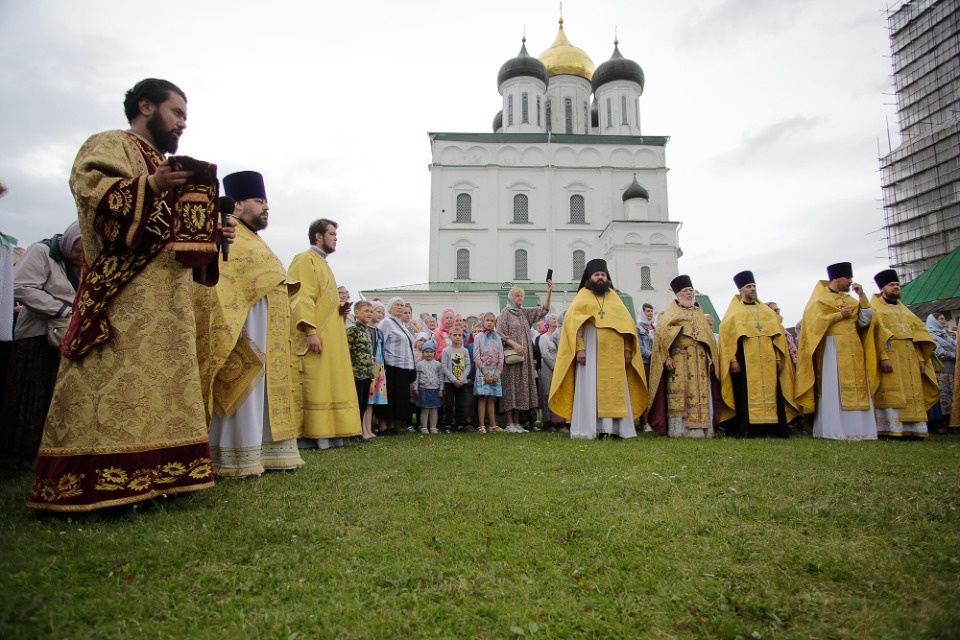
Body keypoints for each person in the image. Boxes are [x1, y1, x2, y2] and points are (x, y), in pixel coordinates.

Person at [28, 78, 229, 517]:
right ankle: (99, 485)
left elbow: (178, 234)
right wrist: (152, 185)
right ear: (145, 106)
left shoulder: (167, 163)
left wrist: (214, 231)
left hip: (168, 300)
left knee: (162, 390)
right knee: (115, 388)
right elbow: (92, 194)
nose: (182, 123)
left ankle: (164, 478)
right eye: (176, 113)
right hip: (123, 295)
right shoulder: (107, 144)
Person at [195, 171, 303, 476]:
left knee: (265, 390)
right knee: (245, 383)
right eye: (259, 201)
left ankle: (270, 453)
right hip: (243, 329)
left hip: (269, 332)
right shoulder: (227, 232)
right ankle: (237, 456)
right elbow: (219, 285)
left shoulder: (255, 240)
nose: (266, 207)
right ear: (239, 204)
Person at [0, 222, 82, 460]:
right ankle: (23, 451)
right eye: (78, 250)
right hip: (37, 336)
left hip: (66, 336)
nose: (81, 256)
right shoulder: (41, 252)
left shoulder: (83, 263)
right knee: (33, 392)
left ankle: (52, 449)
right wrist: (60, 309)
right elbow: (20, 286)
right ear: (68, 242)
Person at [549, 260, 646, 439]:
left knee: (616, 387)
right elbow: (574, 326)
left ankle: (617, 428)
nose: (600, 278)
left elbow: (627, 326)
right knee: (590, 386)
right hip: (591, 350)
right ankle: (591, 427)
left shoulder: (615, 297)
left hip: (615, 353)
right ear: (590, 277)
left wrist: (627, 349)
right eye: (597, 275)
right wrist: (579, 348)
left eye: (603, 275)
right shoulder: (582, 296)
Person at [288, 219, 361, 449]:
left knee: (331, 383)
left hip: (331, 337)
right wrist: (310, 331)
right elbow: (301, 297)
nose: (336, 238)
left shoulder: (324, 264)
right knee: (315, 383)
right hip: (314, 337)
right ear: (318, 236)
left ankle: (333, 431)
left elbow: (321, 301)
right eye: (332, 233)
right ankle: (313, 434)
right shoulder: (304, 259)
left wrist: (339, 310)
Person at [796, 262, 878, 440]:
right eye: (847, 278)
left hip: (853, 348)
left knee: (858, 386)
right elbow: (812, 325)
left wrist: (862, 296)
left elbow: (864, 321)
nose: (850, 281)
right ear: (836, 278)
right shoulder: (819, 300)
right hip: (831, 348)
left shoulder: (852, 300)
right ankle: (834, 429)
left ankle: (861, 430)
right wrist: (838, 315)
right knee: (834, 387)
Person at [718, 271, 798, 438]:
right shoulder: (734, 313)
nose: (752, 289)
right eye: (748, 286)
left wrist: (777, 357)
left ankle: (774, 429)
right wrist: (732, 360)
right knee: (745, 395)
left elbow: (776, 337)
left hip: (768, 361)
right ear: (741, 290)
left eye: (754, 286)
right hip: (746, 362)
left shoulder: (767, 312)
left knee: (772, 394)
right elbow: (727, 341)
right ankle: (748, 430)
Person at [867, 269, 939, 438]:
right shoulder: (875, 309)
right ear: (882, 288)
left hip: (910, 358)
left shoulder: (906, 311)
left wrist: (921, 359)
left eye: (898, 285)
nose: (896, 287)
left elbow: (917, 337)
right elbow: (874, 336)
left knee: (913, 393)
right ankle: (892, 429)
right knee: (892, 394)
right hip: (890, 358)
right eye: (892, 285)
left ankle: (915, 429)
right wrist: (883, 357)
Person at [647, 275, 720, 438]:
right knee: (681, 396)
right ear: (678, 294)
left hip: (700, 360)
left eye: (691, 290)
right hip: (679, 360)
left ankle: (703, 429)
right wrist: (666, 358)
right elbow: (660, 339)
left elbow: (708, 338)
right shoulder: (670, 315)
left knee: (701, 395)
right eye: (685, 291)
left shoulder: (699, 314)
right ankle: (680, 430)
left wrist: (710, 357)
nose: (689, 293)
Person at [497, 283, 553, 432]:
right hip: (511, 358)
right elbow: (500, 333)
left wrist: (549, 292)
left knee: (521, 389)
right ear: (511, 298)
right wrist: (514, 344)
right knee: (511, 388)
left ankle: (516, 423)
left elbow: (544, 310)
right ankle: (509, 423)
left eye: (522, 296)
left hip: (524, 359)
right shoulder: (504, 314)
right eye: (517, 296)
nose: (520, 298)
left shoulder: (524, 313)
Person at [377, 296, 416, 434]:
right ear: (390, 308)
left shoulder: (403, 325)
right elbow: (380, 342)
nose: (400, 307)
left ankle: (395, 424)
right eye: (397, 305)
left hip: (404, 366)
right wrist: (382, 365)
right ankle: (384, 425)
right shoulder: (386, 322)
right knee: (390, 396)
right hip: (391, 365)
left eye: (402, 305)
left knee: (400, 397)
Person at [346, 300, 377, 441]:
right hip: (356, 373)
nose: (369, 314)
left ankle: (359, 432)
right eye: (366, 311)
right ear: (356, 313)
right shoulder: (352, 330)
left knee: (364, 403)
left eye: (371, 311)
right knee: (357, 403)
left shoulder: (366, 330)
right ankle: (353, 432)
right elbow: (347, 351)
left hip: (367, 373)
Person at [473, 312, 505, 433]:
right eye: (488, 320)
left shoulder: (498, 337)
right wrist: (486, 373)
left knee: (492, 398)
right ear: (483, 322)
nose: (490, 322)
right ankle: (481, 425)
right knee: (483, 398)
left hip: (495, 371)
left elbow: (501, 356)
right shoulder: (479, 337)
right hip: (483, 372)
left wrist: (497, 373)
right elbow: (476, 356)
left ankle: (493, 425)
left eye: (492, 320)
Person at [926, 312, 956, 431]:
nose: (944, 321)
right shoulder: (931, 335)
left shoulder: (946, 334)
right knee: (943, 397)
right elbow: (941, 353)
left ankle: (951, 422)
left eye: (944, 319)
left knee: (951, 397)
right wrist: (956, 355)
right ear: (934, 321)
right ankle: (941, 423)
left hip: (952, 371)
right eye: (941, 319)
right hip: (941, 372)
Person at [442, 325, 473, 432]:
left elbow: (468, 366)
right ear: (450, 336)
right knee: (449, 403)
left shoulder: (464, 351)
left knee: (461, 403)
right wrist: (454, 380)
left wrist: (461, 378)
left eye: (459, 335)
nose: (457, 337)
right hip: (449, 382)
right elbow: (444, 367)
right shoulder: (446, 351)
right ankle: (448, 424)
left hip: (462, 382)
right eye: (454, 335)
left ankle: (461, 423)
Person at [537, 313, 564, 431]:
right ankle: (548, 421)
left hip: (560, 367)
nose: (555, 319)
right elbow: (545, 354)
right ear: (548, 322)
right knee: (548, 392)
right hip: (549, 368)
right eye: (553, 318)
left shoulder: (559, 335)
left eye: (556, 318)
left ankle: (559, 420)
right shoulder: (544, 337)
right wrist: (554, 366)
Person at [413, 341, 444, 434]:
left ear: (434, 353)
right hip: (423, 389)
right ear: (423, 353)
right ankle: (424, 427)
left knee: (434, 409)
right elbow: (416, 377)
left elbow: (441, 376)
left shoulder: (438, 364)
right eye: (426, 352)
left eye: (431, 352)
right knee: (425, 409)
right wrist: (416, 388)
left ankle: (433, 427)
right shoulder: (420, 364)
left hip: (435, 389)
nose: (429, 354)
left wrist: (441, 388)